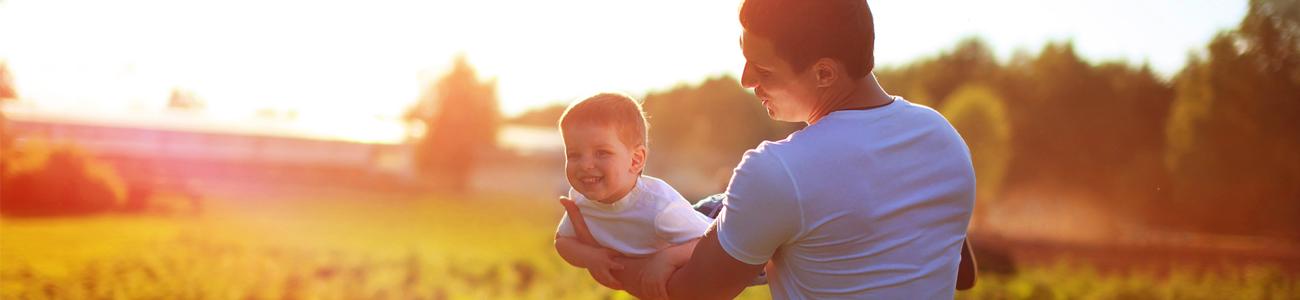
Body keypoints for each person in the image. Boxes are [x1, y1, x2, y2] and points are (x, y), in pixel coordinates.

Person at [597, 0, 978, 298]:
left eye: (763, 71)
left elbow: (692, 293)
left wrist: (607, 261)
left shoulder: (779, 170)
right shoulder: (944, 139)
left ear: (825, 73)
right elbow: (962, 271)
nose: (746, 81)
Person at [550, 93, 718, 298]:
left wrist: (667, 259)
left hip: (717, 222)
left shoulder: (660, 207)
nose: (585, 165)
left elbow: (712, 244)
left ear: (635, 160)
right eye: (574, 154)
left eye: (602, 153)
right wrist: (591, 257)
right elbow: (563, 242)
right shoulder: (580, 200)